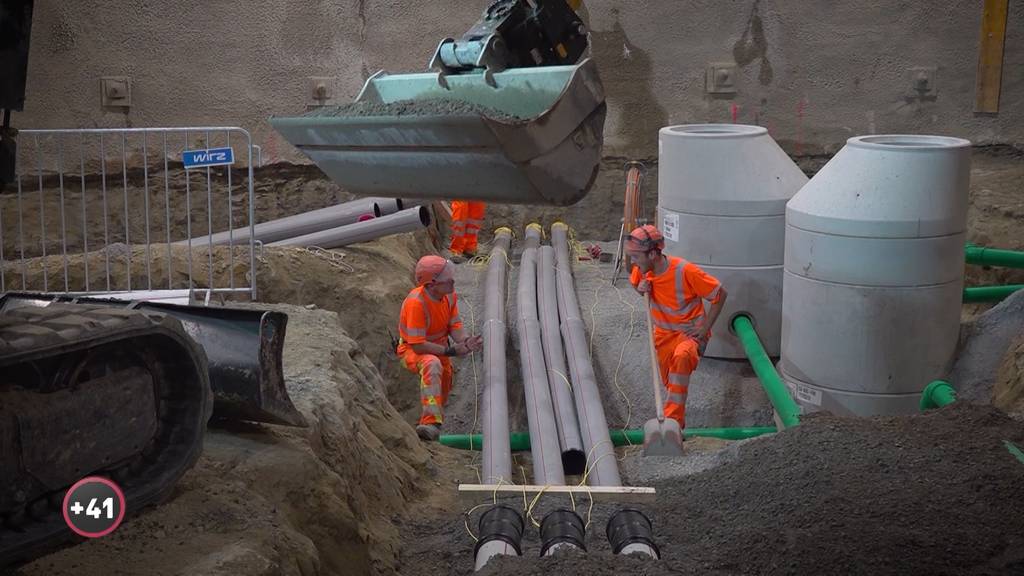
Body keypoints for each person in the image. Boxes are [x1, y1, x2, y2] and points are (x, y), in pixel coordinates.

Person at [625, 224, 728, 431]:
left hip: (689, 335)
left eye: (636, 256)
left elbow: (720, 294)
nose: (633, 262)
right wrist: (640, 289)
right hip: (663, 336)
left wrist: (704, 328)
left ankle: (672, 425)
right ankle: (676, 424)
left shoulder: (685, 270)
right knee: (671, 383)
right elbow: (636, 285)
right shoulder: (642, 271)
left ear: (653, 253)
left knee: (682, 358)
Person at [397, 255, 483, 441]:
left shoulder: (448, 295)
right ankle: (430, 424)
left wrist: (465, 341)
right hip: (412, 351)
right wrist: (452, 351)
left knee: (442, 387)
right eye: (448, 281)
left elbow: (455, 325)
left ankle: (430, 428)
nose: (453, 283)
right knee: (431, 364)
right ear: (431, 284)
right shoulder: (416, 304)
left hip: (439, 348)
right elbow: (418, 346)